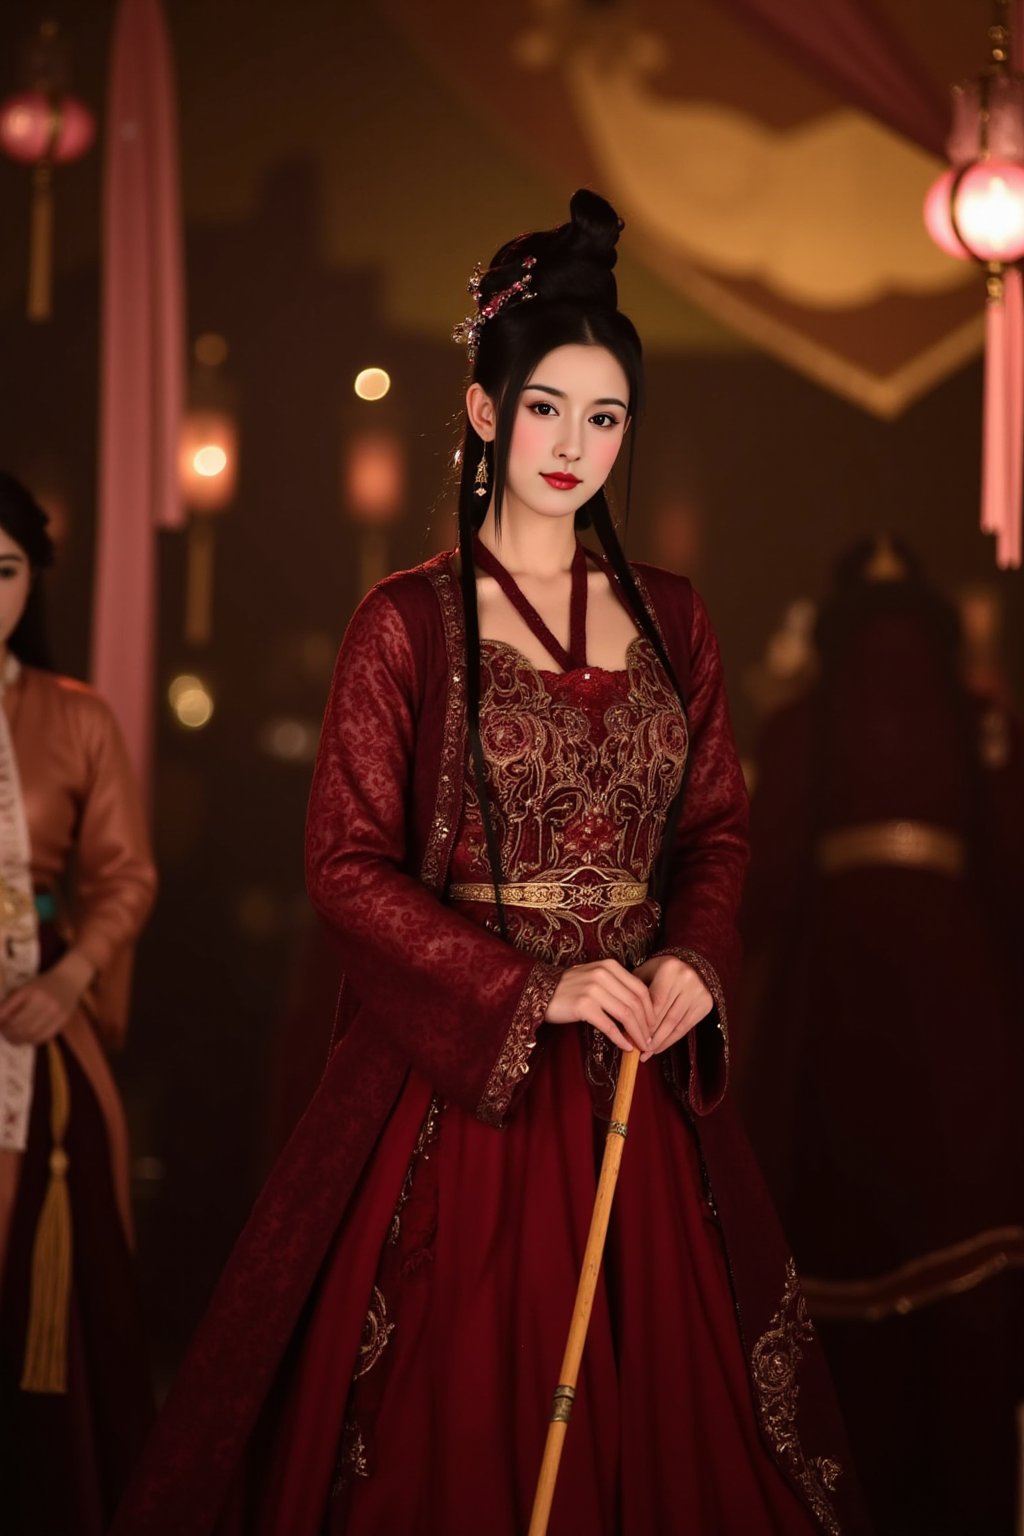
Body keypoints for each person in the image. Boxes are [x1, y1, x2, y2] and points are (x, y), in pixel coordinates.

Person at [112, 191, 868, 1535]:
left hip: (640, 1074)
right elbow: (346, 868)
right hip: (465, 1088)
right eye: (545, 410)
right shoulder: (405, 622)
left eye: (606, 418)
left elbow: (716, 833)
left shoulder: (674, 620)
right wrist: (536, 992)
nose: (575, 445)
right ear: (481, 414)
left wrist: (695, 958)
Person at [737, 537, 1024, 1535]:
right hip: (957, 1019)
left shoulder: (800, 724)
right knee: (965, 1272)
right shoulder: (979, 722)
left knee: (833, 1276)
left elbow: (763, 886)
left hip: (839, 1013)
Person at [0, 473, 157, 1535]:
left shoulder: (75, 717)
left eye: (2, 571)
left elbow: (125, 876)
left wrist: (67, 979)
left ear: (33, 580)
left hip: (36, 1016)